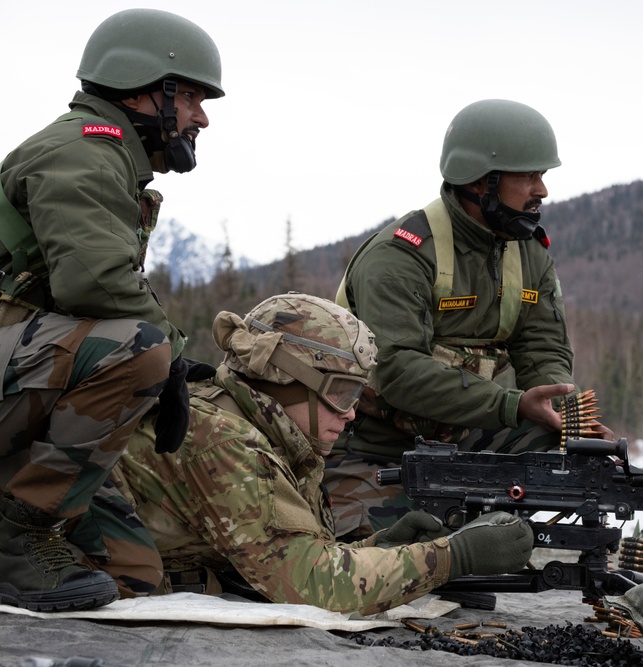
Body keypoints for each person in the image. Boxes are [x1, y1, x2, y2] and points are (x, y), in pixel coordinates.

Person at [0, 9, 223, 612]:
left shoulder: (109, 159)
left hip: (14, 378)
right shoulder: (81, 151)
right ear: (144, 88)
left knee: (131, 574)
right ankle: (13, 536)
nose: (202, 117)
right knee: (137, 349)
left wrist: (175, 361)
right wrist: (168, 356)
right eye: (195, 97)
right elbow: (94, 282)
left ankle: (27, 526)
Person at [116, 293, 534, 615]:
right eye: (340, 392)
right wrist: (453, 557)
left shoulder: (266, 432)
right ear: (284, 380)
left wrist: (383, 546)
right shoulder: (224, 442)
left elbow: (301, 554)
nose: (352, 413)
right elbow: (312, 586)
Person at [328, 99, 612, 539]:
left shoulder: (529, 254)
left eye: (543, 176)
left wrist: (563, 415)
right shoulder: (402, 255)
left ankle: (481, 530)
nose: (542, 191)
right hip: (371, 446)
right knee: (390, 561)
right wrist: (510, 405)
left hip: (463, 440)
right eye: (529, 176)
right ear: (481, 181)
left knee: (562, 456)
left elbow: (542, 350)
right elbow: (399, 370)